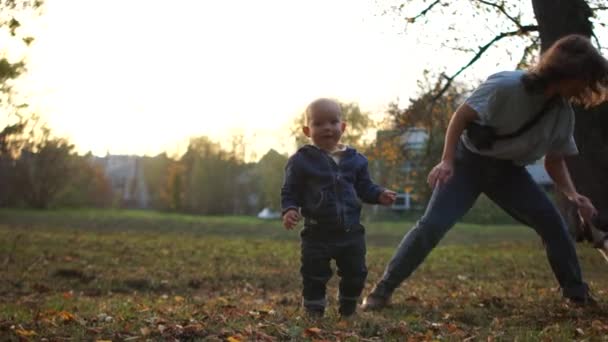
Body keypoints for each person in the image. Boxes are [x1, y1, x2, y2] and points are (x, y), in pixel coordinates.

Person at [362, 34, 608, 311]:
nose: (588, 87)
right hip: (467, 163)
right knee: (432, 225)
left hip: (508, 173)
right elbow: (461, 117)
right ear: (567, 71)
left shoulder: (563, 115)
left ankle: (577, 295)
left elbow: (555, 161)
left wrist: (572, 194)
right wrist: (447, 161)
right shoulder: (507, 86)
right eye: (586, 77)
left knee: (554, 226)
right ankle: (382, 290)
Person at [281, 98, 396, 318]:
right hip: (316, 233)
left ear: (342, 127)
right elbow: (290, 191)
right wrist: (289, 209)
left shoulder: (356, 160)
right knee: (314, 274)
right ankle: (313, 311)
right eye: (318, 123)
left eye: (333, 122)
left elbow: (364, 187)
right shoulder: (301, 161)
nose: (327, 128)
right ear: (307, 130)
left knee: (356, 273)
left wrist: (379, 194)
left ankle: (348, 310)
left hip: (351, 232)